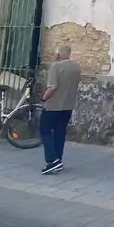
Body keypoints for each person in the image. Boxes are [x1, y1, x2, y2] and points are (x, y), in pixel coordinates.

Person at [39, 44, 81, 174]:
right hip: (68, 106)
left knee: (45, 130)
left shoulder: (55, 67)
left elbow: (52, 87)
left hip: (53, 106)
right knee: (60, 132)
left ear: (59, 54)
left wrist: (43, 99)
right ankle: (58, 159)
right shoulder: (76, 67)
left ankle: (51, 160)